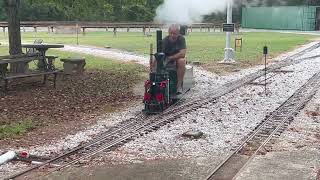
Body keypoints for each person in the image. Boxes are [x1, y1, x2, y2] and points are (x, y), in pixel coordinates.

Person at [152, 24, 187, 94]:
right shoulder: (164, 41)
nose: (172, 35)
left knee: (182, 61)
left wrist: (170, 58)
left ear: (178, 33)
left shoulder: (181, 39)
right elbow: (160, 54)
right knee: (154, 60)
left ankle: (179, 86)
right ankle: (154, 82)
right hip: (166, 58)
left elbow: (183, 54)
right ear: (168, 32)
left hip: (177, 59)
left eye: (175, 34)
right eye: (171, 33)